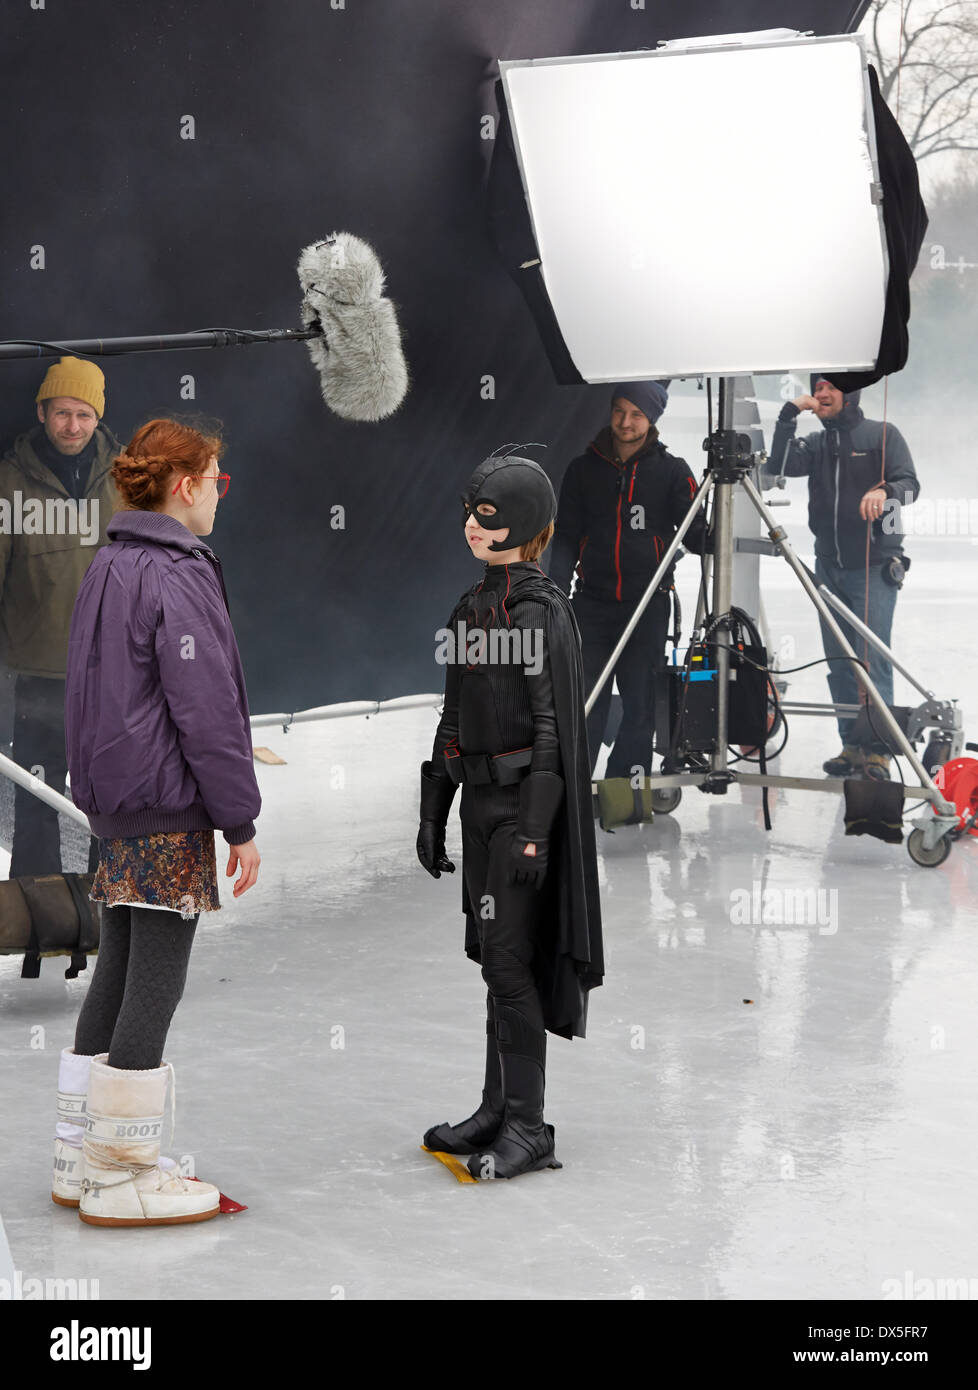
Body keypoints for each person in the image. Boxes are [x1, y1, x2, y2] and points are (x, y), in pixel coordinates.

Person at [56, 417, 262, 1226]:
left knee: (120, 962)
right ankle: (121, 1171)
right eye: (218, 477)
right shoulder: (178, 571)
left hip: (118, 800)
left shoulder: (110, 561)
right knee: (156, 975)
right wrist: (238, 820)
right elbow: (204, 707)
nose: (220, 492)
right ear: (186, 484)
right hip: (166, 803)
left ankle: (81, 1157)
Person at [417, 451, 603, 1180]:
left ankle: (528, 1125)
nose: (471, 526)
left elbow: (554, 727)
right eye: (469, 513)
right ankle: (499, 1108)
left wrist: (533, 829)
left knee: (509, 964)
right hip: (482, 807)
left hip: (523, 812)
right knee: (497, 965)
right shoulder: (472, 608)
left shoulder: (540, 612)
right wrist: (435, 809)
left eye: (487, 517)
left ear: (522, 525)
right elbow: (453, 716)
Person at [763, 374, 920, 780]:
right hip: (828, 568)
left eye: (830, 388)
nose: (821, 394)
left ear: (849, 395)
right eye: (817, 389)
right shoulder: (817, 444)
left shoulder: (882, 434)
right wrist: (788, 415)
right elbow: (777, 466)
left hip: (873, 565)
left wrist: (884, 491)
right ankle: (852, 746)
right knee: (839, 662)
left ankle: (878, 752)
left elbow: (910, 485)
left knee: (872, 660)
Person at [549, 381, 709, 779]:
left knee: (641, 704)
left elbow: (698, 537)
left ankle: (626, 788)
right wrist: (557, 594)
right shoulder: (582, 470)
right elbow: (566, 537)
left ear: (651, 419)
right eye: (620, 411)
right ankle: (575, 785)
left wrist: (718, 497)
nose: (625, 421)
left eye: (636, 414)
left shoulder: (673, 471)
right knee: (585, 699)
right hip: (591, 604)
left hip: (647, 606)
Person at [0, 357, 120, 877]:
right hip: (40, 672)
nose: (73, 426)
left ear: (98, 418)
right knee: (37, 795)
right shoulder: (8, 482)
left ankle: (108, 907)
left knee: (113, 796)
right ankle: (36, 913)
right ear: (42, 412)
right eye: (62, 413)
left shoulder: (128, 477)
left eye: (84, 414)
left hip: (114, 669)